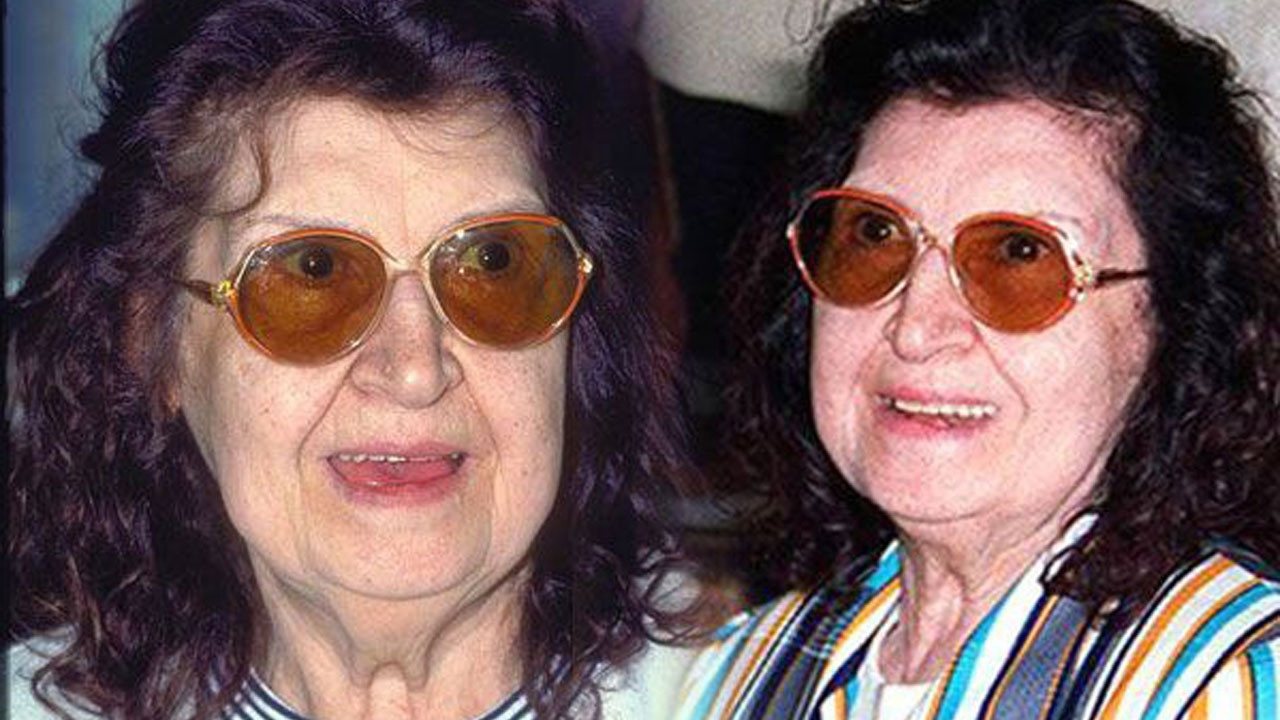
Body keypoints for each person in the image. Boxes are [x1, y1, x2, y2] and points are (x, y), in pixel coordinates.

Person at [6, 1, 696, 718]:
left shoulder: (738, 694)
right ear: (156, 344)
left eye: (495, 263)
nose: (415, 371)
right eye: (312, 271)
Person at [676, 0, 1280, 718]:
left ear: (1176, 324)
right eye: (874, 236)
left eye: (1020, 254)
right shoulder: (738, 673)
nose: (915, 329)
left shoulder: (1229, 684)